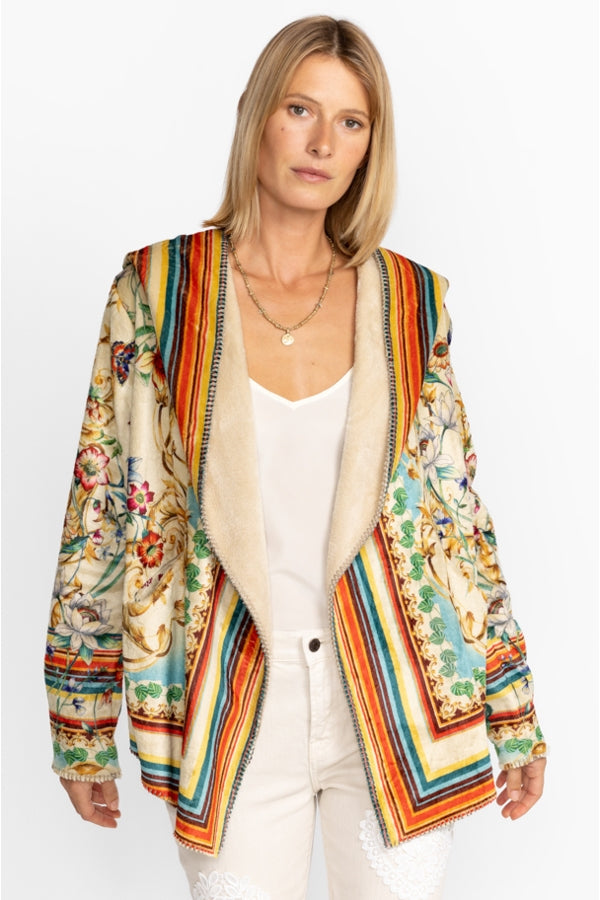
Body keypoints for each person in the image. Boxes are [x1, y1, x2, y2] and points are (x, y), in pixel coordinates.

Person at [44, 15, 546, 900]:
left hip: (397, 702)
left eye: (351, 122)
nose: (322, 144)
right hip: (232, 698)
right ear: (256, 114)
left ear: (369, 146)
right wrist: (80, 722)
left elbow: (457, 518)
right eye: (300, 109)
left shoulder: (411, 303)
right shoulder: (158, 293)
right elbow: (102, 510)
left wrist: (514, 710)